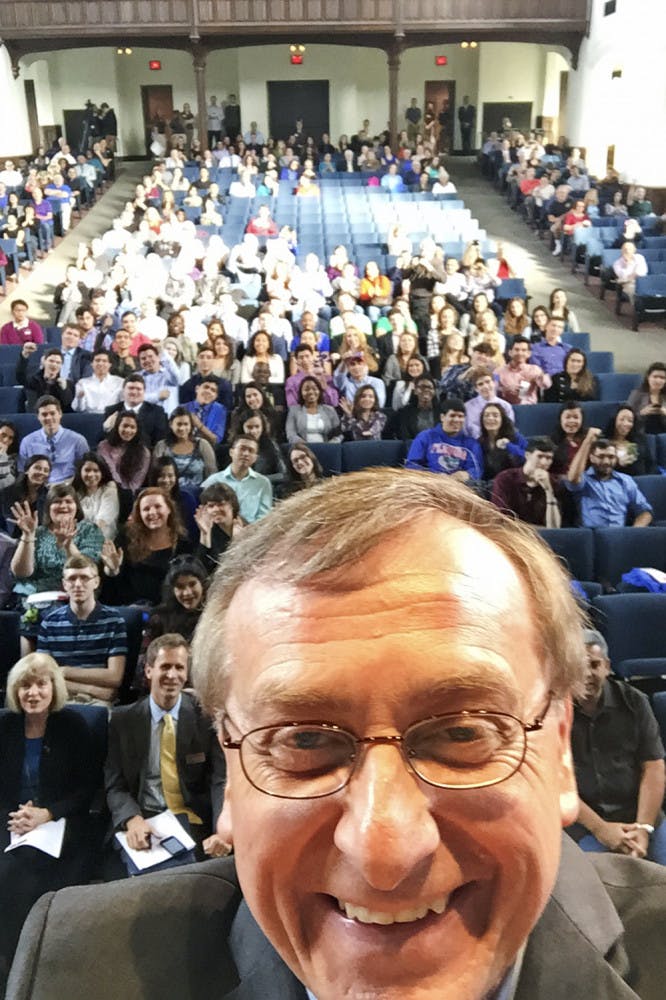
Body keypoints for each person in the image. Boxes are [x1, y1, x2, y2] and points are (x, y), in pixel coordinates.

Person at [8, 468, 666, 999]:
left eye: (464, 732)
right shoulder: (78, 970)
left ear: (559, 752)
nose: (384, 851)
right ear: (232, 779)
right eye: (303, 741)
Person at [0, 653, 94, 983]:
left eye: (41, 684)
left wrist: (48, 813)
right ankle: (13, 964)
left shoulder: (73, 726)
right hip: (12, 821)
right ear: (16, 690)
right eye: (25, 685)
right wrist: (19, 816)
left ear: (53, 688)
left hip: (62, 823)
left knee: (42, 882)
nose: (33, 692)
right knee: (9, 877)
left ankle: (47, 965)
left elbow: (87, 788)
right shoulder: (5, 726)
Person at [104, 633, 226, 876]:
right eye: (165, 666)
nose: (172, 675)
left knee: (193, 882)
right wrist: (131, 819)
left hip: (190, 817)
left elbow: (219, 781)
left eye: (179, 667)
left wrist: (222, 830)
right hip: (143, 815)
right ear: (149, 671)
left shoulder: (206, 719)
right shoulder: (122, 720)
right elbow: (114, 785)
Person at [567, 630, 666, 864]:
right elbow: (555, 784)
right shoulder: (555, 711)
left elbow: (653, 768)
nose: (587, 674)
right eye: (579, 666)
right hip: (585, 825)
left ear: (607, 666)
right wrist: (601, 829)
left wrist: (643, 828)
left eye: (594, 664)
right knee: (602, 883)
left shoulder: (634, 701)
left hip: (640, 816)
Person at [9, 484, 104, 646]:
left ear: (76, 506)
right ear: (48, 507)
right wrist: (28, 536)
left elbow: (86, 570)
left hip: (74, 598)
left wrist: (68, 545)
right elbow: (21, 573)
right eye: (57, 502)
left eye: (68, 501)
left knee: (53, 617)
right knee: (30, 619)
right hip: (33, 600)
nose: (63, 506)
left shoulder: (88, 530)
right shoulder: (37, 532)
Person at [36, 554, 127, 704]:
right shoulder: (50, 622)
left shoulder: (114, 621)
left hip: (97, 702)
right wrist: (91, 689)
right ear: (64, 584)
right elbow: (43, 676)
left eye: (84, 578)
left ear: (96, 582)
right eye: (72, 579)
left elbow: (114, 677)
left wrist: (64, 671)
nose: (78, 584)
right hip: (60, 696)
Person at [563, 431, 653, 527]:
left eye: (611, 457)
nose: (606, 461)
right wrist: (587, 442)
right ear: (592, 458)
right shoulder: (584, 479)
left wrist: (632, 533)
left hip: (619, 536)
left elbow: (645, 511)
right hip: (592, 536)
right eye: (601, 456)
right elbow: (572, 478)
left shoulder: (626, 481)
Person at [406, 397, 483, 481]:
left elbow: (477, 469)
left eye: (460, 416)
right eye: (452, 415)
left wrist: (467, 474)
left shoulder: (471, 444)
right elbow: (412, 465)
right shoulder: (425, 437)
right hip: (430, 484)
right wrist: (433, 474)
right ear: (442, 417)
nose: (457, 420)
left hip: (459, 487)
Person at [200, 435, 272, 524]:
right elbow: (205, 512)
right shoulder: (213, 480)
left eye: (251, 451)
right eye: (242, 449)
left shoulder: (263, 483)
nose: (246, 453)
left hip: (252, 533)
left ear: (255, 458)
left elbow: (264, 517)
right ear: (231, 452)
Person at [491, 438, 564, 527]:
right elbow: (501, 520)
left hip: (542, 538)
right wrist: (536, 529)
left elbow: (554, 528)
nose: (544, 462)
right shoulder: (505, 479)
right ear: (527, 455)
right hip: (511, 536)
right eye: (540, 456)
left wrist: (549, 491)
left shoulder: (554, 482)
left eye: (548, 458)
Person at [18, 396, 88, 483]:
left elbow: (86, 470)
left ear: (60, 414)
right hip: (38, 487)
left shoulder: (78, 440)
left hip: (68, 487)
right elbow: (22, 471)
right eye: (44, 414)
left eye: (52, 413)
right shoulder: (27, 442)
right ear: (38, 417)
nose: (48, 418)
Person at [152, 407, 217, 492]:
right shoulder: (162, 446)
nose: (182, 428)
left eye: (186, 424)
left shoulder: (202, 445)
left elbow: (212, 475)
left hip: (199, 495)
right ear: (171, 424)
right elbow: (155, 475)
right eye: (179, 424)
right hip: (168, 494)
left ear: (191, 426)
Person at [97, 410, 151, 494]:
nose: (128, 430)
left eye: (132, 427)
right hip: (107, 489)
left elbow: (137, 481)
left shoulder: (144, 452)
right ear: (117, 426)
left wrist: (127, 494)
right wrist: (119, 490)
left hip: (130, 493)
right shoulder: (104, 446)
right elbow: (111, 470)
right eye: (125, 426)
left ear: (137, 430)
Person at [71, 452, 119, 539]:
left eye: (96, 471)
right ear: (80, 471)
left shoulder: (109, 489)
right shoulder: (75, 492)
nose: (91, 475)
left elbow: (102, 521)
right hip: (77, 538)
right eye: (87, 470)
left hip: (103, 539)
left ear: (102, 473)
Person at [0, 455, 50, 538]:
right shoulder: (5, 493)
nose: (41, 472)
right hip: (9, 542)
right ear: (27, 470)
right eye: (37, 468)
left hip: (37, 540)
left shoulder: (50, 496)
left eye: (46, 470)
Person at [478, 403, 528, 484]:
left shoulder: (516, 437)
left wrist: (509, 446)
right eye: (486, 415)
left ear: (502, 419)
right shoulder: (480, 442)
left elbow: (528, 457)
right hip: (489, 485)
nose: (490, 418)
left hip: (513, 483)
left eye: (495, 415)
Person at [16, 347, 74, 414]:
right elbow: (20, 377)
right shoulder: (34, 380)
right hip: (36, 417)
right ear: (44, 361)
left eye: (58, 362)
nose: (54, 364)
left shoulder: (67, 384)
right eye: (51, 361)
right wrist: (24, 355)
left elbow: (68, 405)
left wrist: (64, 390)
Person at [603, 405, 656, 477]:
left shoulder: (640, 441)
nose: (626, 424)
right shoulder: (604, 442)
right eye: (622, 419)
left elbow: (650, 464)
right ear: (614, 420)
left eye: (630, 421)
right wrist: (618, 463)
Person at [497, 338, 551, 405]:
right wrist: (505, 390)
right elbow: (493, 388)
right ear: (510, 352)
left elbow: (546, 386)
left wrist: (542, 375)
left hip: (528, 408)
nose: (520, 353)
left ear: (529, 354)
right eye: (516, 350)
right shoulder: (498, 371)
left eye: (524, 350)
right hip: (506, 408)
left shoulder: (534, 369)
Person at [463, 369, 515, 439]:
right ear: (476, 389)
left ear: (494, 383)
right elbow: (465, 432)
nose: (485, 386)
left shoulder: (506, 406)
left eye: (488, 382)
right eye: (480, 384)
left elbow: (509, 430)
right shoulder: (467, 407)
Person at [627, 362, 666, 435]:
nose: (658, 380)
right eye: (655, 376)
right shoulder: (637, 394)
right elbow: (626, 417)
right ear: (648, 377)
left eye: (662, 378)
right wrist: (642, 413)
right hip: (642, 433)